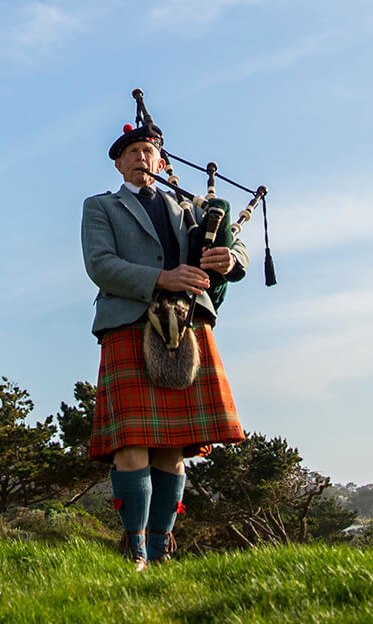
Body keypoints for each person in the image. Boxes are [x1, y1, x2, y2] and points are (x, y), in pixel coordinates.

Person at [80, 121, 249, 569]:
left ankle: (159, 551)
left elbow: (236, 246)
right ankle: (134, 549)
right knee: (133, 442)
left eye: (147, 151)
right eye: (131, 151)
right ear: (118, 163)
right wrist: (162, 277)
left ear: (161, 161)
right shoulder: (100, 207)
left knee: (173, 447)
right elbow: (101, 265)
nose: (140, 157)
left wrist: (231, 259)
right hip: (129, 322)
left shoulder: (188, 207)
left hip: (185, 325)